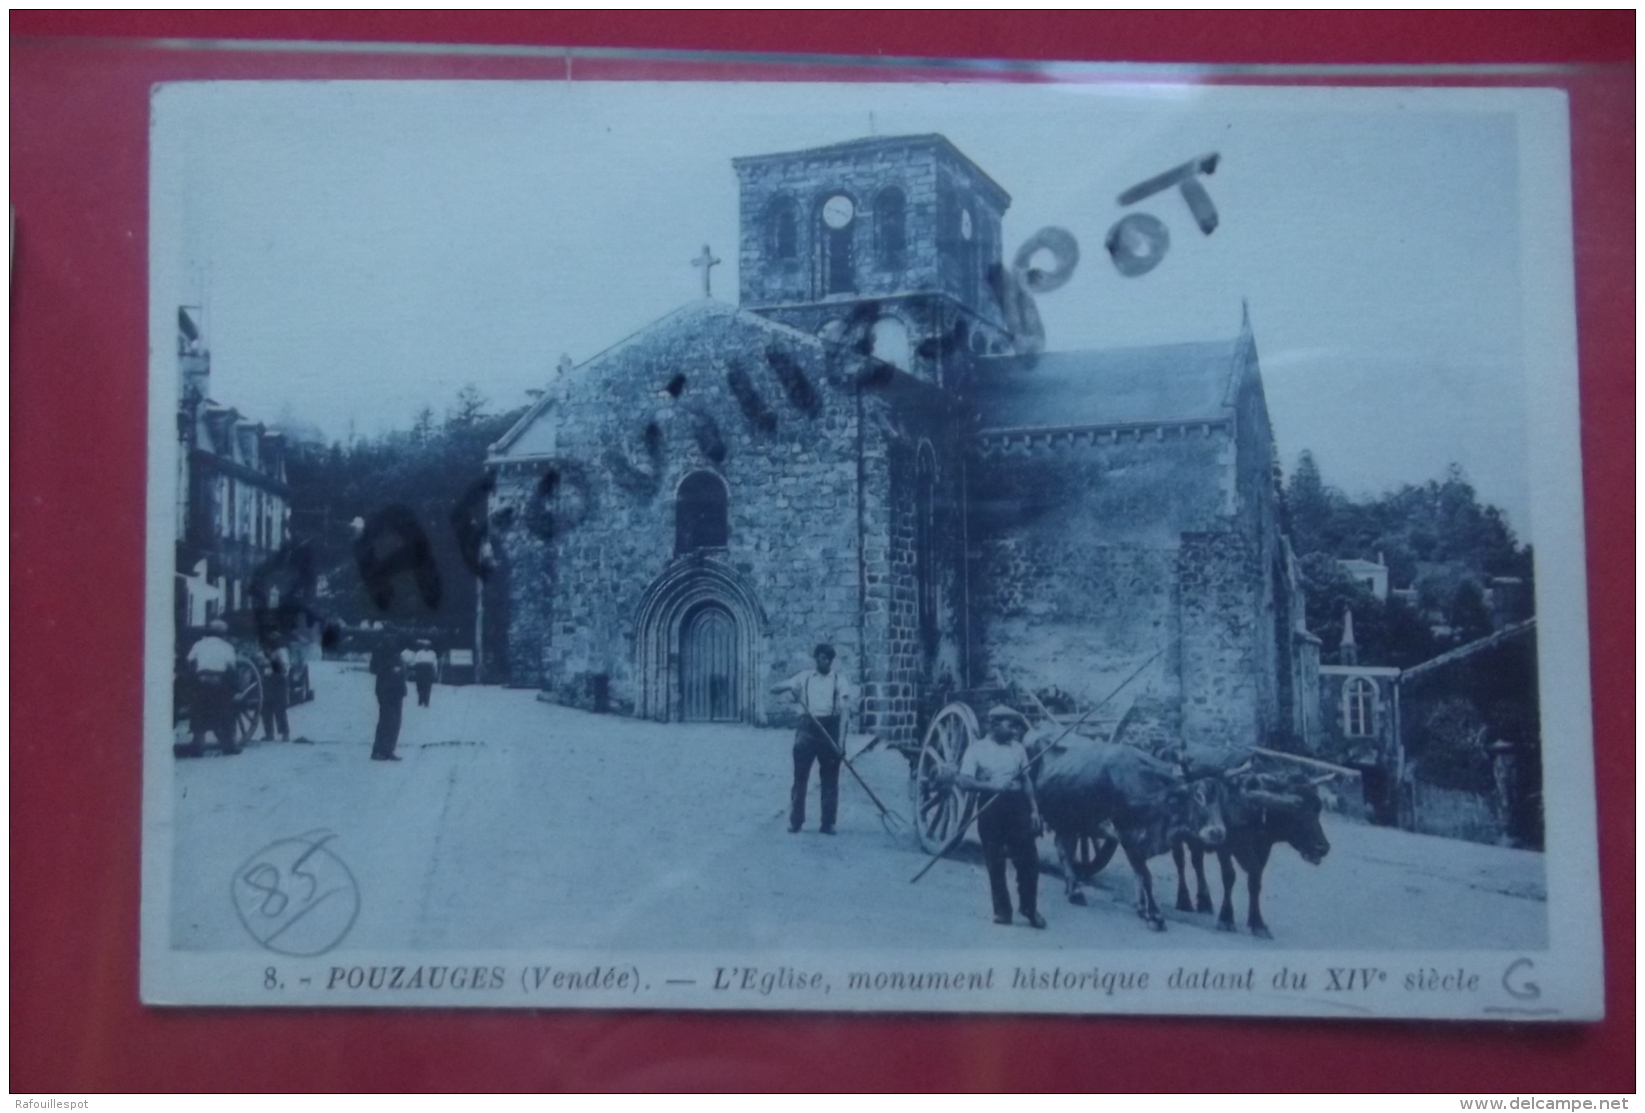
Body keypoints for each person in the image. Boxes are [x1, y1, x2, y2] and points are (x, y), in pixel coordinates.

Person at [955, 705, 1046, 928]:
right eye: (1010, 725)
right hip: (990, 807)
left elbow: (1026, 780)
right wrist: (992, 785)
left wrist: (1034, 810)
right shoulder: (977, 750)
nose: (1015, 730)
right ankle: (1002, 911)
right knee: (995, 861)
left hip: (1017, 806)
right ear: (994, 725)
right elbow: (964, 781)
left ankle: (1029, 907)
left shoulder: (1018, 749)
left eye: (1017, 726)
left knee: (1029, 860)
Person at [771, 643, 858, 835]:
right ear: (816, 658)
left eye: (826, 658)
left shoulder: (839, 681)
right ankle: (796, 821)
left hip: (830, 730)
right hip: (807, 729)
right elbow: (775, 688)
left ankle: (828, 823)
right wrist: (790, 690)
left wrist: (841, 743)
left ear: (831, 660)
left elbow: (844, 715)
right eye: (819, 657)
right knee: (800, 777)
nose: (822, 661)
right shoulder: (805, 677)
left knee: (829, 778)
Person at [182, 618, 241, 757]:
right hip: (218, 683)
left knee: (198, 713)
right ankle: (229, 746)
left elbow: (189, 661)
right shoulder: (227, 647)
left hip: (200, 682)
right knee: (226, 713)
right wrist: (235, 689)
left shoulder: (199, 644)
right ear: (223, 634)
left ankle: (198, 746)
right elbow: (232, 669)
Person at [369, 637, 409, 762]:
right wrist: (390, 668)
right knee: (387, 720)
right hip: (386, 691)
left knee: (395, 722)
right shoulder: (382, 654)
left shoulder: (397, 655)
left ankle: (388, 750)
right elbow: (374, 669)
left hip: (397, 691)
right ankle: (379, 751)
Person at [260, 638, 292, 742]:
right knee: (265, 708)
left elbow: (284, 668)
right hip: (268, 682)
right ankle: (269, 734)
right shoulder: (268, 653)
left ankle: (285, 734)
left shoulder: (281, 652)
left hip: (278, 682)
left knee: (280, 709)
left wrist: (269, 662)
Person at [410, 639, 439, 708]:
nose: (426, 647)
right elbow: (416, 662)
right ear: (423, 646)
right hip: (421, 671)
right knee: (420, 686)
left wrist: (435, 672)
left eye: (428, 646)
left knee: (428, 686)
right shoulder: (419, 653)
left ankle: (426, 701)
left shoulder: (432, 653)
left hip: (428, 671)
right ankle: (420, 699)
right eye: (425, 646)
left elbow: (435, 663)